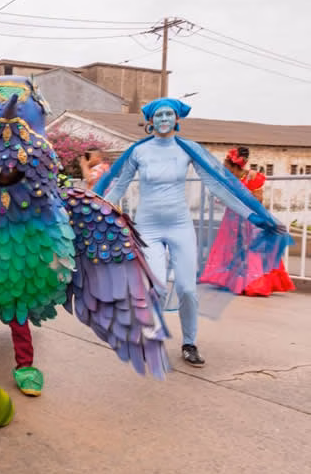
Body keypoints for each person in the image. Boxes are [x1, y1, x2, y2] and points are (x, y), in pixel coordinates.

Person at [95, 99, 291, 367]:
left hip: (180, 227)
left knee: (188, 289)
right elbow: (118, 187)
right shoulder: (138, 152)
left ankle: (190, 343)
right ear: (150, 121)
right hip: (148, 228)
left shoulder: (189, 149)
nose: (164, 118)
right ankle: (152, 338)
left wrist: (255, 216)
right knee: (157, 285)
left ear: (177, 120)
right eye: (158, 115)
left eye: (169, 114)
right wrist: (96, 209)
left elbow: (219, 185)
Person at [199, 147, 295, 296]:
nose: (224, 170)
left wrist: (243, 197)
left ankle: (253, 283)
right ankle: (233, 281)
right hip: (233, 220)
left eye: (227, 167)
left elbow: (259, 199)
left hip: (251, 220)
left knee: (252, 249)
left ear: (235, 166)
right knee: (234, 249)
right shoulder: (229, 181)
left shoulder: (252, 177)